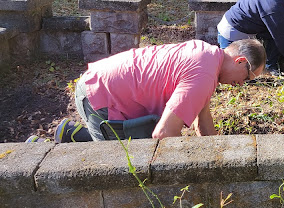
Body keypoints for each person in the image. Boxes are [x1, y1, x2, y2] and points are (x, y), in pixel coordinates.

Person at [27, 39, 266, 143]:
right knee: (119, 165)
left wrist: (219, 156)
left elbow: (202, 124)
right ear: (240, 61)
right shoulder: (203, 76)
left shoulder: (207, 56)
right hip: (99, 99)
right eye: (247, 77)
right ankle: (39, 149)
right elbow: (164, 135)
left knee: (139, 140)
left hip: (102, 87)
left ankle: (71, 133)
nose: (242, 85)